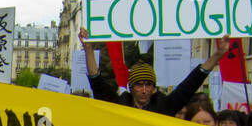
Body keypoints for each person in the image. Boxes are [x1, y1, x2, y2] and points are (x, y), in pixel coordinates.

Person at [78, 30, 230, 116]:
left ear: (153, 88)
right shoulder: (120, 105)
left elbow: (191, 83)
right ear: (131, 87)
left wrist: (219, 53)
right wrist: (89, 49)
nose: (144, 90)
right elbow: (96, 80)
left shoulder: (165, 106)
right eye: (139, 85)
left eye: (148, 85)